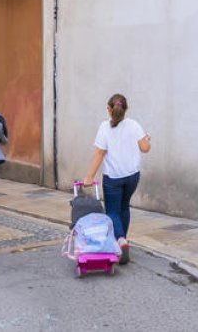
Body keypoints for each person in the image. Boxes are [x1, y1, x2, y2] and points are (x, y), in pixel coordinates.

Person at [83, 93, 151, 265]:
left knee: (112, 211)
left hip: (113, 178)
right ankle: (123, 241)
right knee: (124, 207)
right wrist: (147, 139)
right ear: (125, 109)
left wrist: (89, 177)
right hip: (132, 176)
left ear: (109, 109)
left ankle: (120, 241)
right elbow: (145, 148)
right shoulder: (134, 125)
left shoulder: (104, 127)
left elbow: (99, 153)